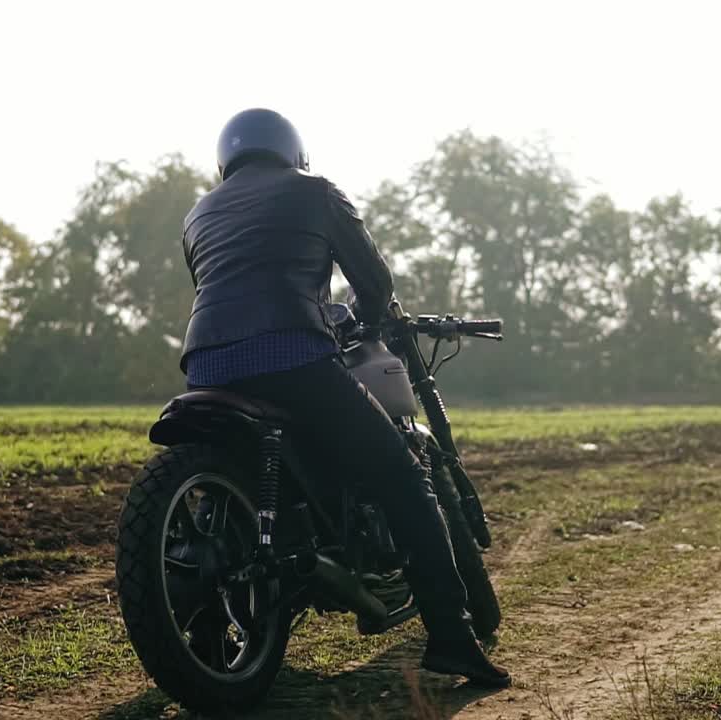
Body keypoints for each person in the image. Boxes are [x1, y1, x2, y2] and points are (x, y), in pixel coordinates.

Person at [179, 108, 510, 688]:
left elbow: (220, 289)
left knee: (222, 486)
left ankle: (205, 638)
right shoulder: (316, 192)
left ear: (226, 160)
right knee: (406, 478)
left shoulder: (198, 213)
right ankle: (453, 639)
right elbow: (375, 282)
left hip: (207, 367)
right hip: (295, 359)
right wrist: (363, 322)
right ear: (292, 151)